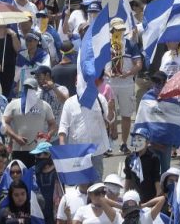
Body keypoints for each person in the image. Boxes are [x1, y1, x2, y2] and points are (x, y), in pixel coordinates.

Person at [104, 18, 143, 154]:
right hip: (110, 84)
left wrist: (128, 73)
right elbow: (102, 66)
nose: (119, 31)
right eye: (117, 29)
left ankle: (123, 143)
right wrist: (108, 73)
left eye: (121, 29)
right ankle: (109, 144)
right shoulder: (106, 45)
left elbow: (139, 64)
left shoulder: (131, 44)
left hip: (127, 85)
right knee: (109, 115)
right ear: (112, 30)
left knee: (126, 115)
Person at [3, 78, 57, 166]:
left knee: (38, 175)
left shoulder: (44, 105)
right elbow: (4, 123)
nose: (28, 90)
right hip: (18, 149)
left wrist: (48, 135)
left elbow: (53, 124)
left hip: (39, 150)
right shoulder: (13, 104)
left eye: (31, 88)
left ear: (36, 89)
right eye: (26, 88)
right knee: (20, 175)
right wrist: (16, 137)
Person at [58, 90, 110, 179]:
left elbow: (109, 119)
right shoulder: (69, 103)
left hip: (97, 150)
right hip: (78, 151)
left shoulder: (99, 98)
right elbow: (63, 125)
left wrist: (111, 109)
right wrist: (62, 144)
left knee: (97, 182)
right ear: (76, 84)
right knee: (81, 182)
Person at [122, 129, 161, 203]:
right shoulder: (129, 158)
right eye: (134, 140)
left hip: (150, 196)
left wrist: (158, 194)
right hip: (134, 197)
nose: (136, 143)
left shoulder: (153, 158)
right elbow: (128, 178)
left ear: (147, 142)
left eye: (140, 140)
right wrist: (125, 195)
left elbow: (156, 177)